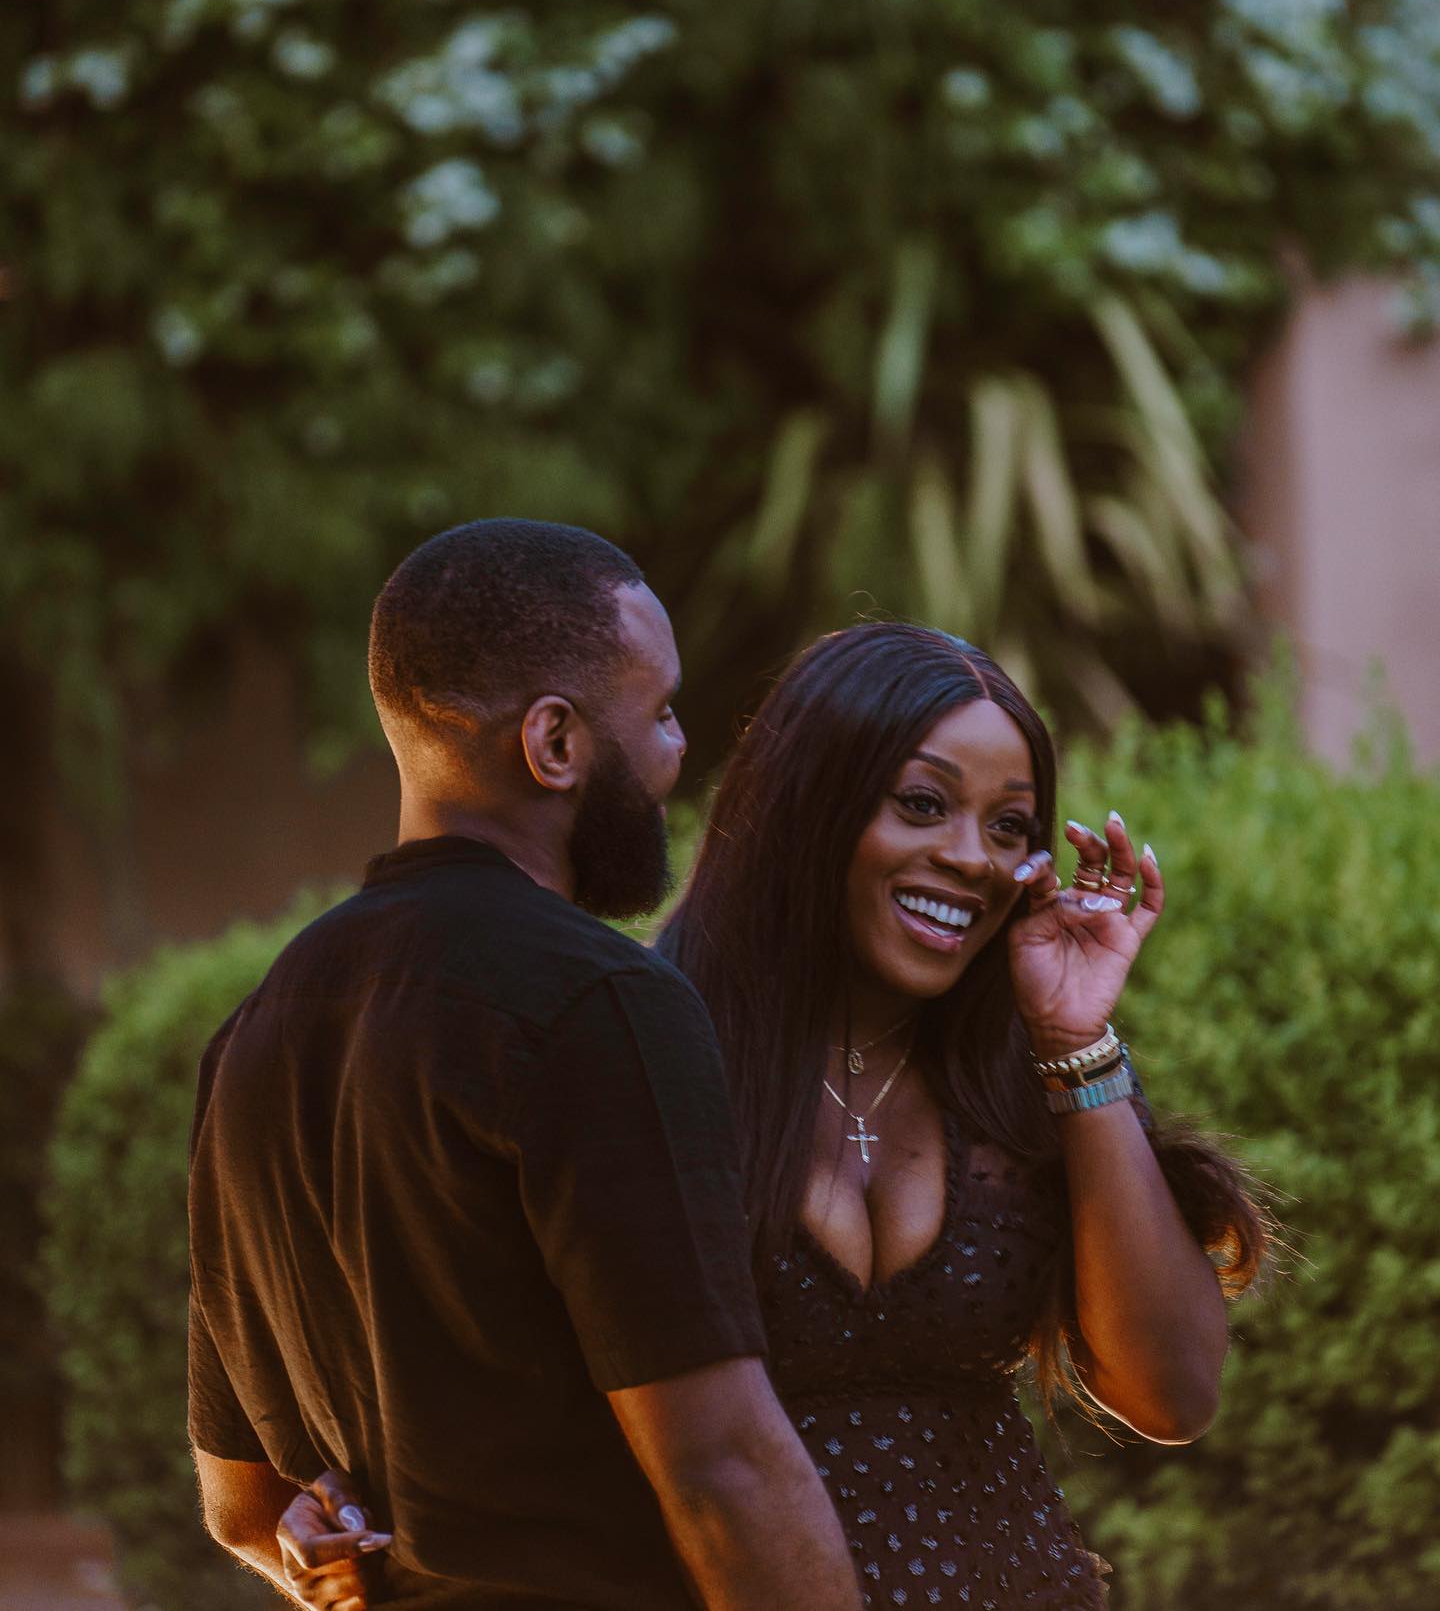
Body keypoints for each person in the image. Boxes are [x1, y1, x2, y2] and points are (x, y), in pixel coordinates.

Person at [280, 620, 1273, 1608]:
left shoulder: (1026, 1070)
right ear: (811, 803)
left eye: (1010, 827)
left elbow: (1172, 1394)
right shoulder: (636, 1046)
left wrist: (1073, 1040)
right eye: (922, 805)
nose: (972, 857)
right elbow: (479, 1364)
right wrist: (341, 1502)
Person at [187, 519, 863, 1610]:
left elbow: (244, 1508)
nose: (678, 752)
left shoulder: (255, 1035)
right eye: (660, 712)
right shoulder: (601, 1003)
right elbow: (722, 1470)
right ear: (554, 743)